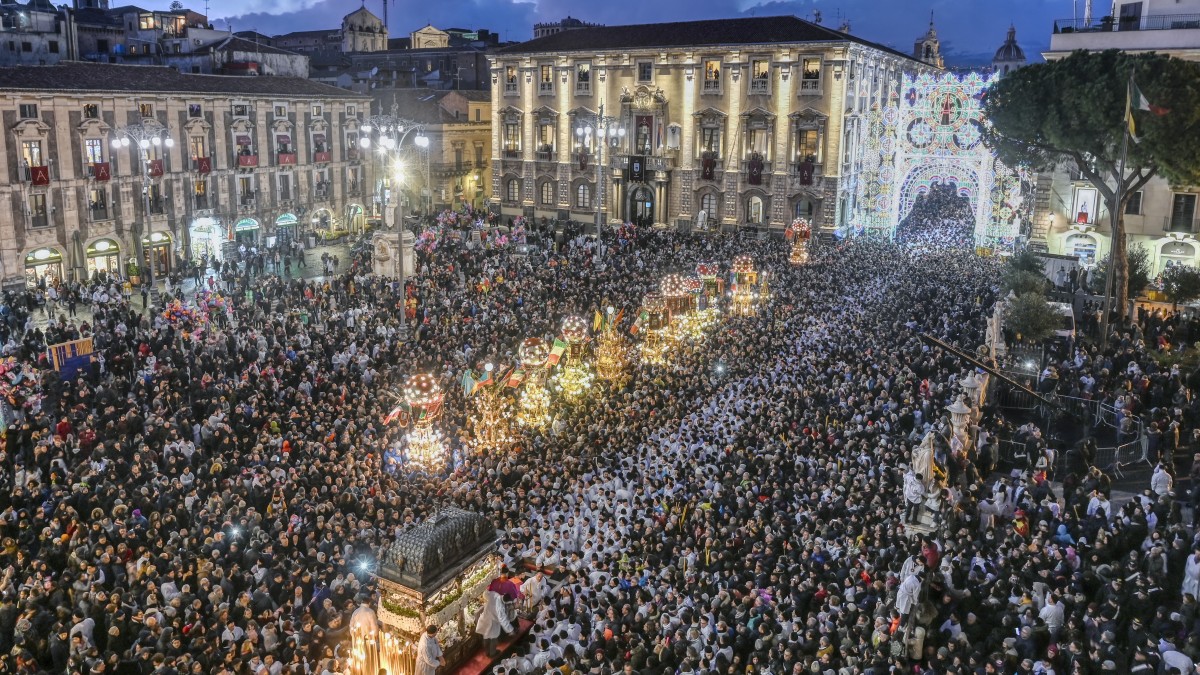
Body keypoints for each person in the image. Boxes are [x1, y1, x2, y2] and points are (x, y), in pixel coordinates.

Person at [475, 589, 513, 657]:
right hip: (493, 624)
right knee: (493, 639)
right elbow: (503, 620)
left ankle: (487, 652)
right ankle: (492, 653)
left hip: (485, 619)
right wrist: (510, 630)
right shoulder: (500, 608)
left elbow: (485, 594)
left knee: (485, 637)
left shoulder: (494, 594)